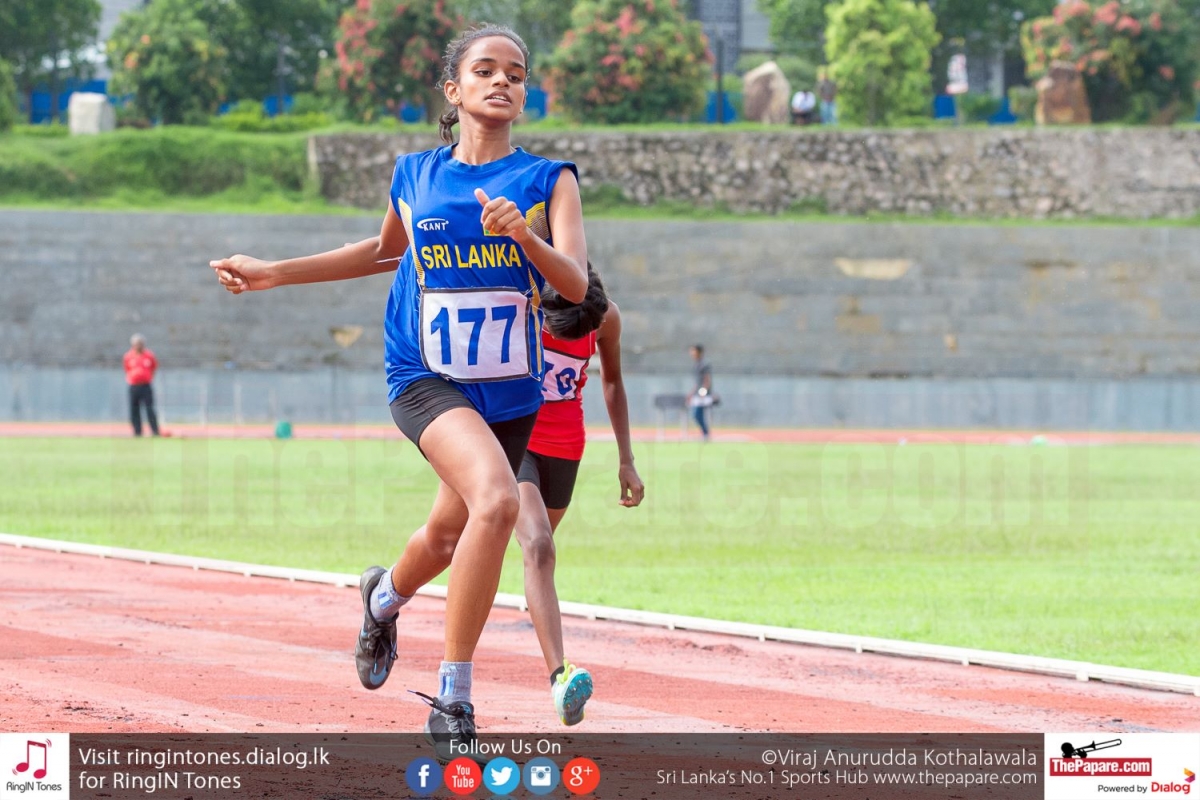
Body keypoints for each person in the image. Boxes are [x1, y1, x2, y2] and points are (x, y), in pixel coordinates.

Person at [208, 24, 588, 758]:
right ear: (454, 89)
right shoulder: (415, 175)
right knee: (499, 502)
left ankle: (381, 599)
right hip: (424, 375)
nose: (502, 81)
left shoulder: (550, 181)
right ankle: (453, 698)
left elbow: (575, 284)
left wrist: (526, 239)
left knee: (447, 535)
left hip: (510, 392)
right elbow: (383, 252)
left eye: (515, 73)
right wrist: (274, 272)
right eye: (485, 70)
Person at [513, 264, 644, 726]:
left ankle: (387, 591)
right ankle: (560, 677)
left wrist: (626, 459)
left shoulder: (606, 317)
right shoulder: (522, 300)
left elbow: (612, 382)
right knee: (538, 547)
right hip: (515, 439)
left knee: (531, 552)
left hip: (565, 448)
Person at [123, 333, 160, 437]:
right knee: (134, 409)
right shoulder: (128, 356)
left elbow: (154, 368)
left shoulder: (149, 355)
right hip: (134, 386)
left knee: (149, 409)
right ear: (133, 345)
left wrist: (148, 377)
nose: (139, 345)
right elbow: (127, 369)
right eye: (137, 343)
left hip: (146, 386)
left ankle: (155, 431)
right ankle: (137, 432)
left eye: (140, 343)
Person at [688, 344, 715, 440]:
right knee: (696, 415)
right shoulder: (696, 365)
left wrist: (703, 391)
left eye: (693, 351)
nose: (691, 353)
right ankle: (705, 433)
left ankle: (706, 434)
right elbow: (697, 383)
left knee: (698, 413)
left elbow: (707, 379)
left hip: (703, 394)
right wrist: (691, 393)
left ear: (699, 352)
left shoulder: (704, 364)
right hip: (697, 394)